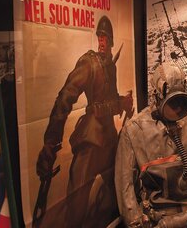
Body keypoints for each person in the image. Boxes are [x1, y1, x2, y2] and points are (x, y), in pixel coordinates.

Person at [36, 15, 133, 227]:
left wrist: (123, 102)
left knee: (118, 194)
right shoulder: (88, 62)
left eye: (105, 37)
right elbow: (65, 97)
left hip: (109, 141)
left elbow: (110, 98)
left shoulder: (111, 67)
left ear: (111, 41)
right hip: (90, 141)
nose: (101, 41)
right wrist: (51, 142)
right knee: (75, 208)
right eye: (99, 36)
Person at [115, 62, 187, 228]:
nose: (177, 108)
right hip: (162, 219)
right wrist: (136, 223)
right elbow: (125, 186)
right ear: (156, 95)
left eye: (180, 101)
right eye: (172, 102)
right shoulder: (135, 130)